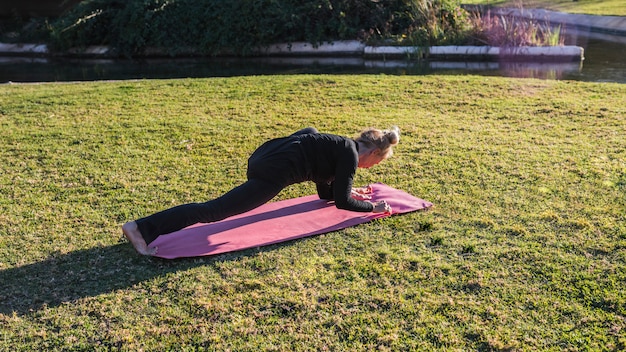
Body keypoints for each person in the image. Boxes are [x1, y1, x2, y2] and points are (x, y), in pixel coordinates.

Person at [122, 126, 400, 255]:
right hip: (273, 172)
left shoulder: (339, 147)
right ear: (375, 152)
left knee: (311, 130)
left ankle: (142, 227)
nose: (371, 167)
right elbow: (341, 201)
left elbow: (327, 195)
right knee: (215, 210)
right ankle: (140, 228)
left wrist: (352, 195)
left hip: (265, 154)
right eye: (377, 162)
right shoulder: (349, 157)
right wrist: (371, 207)